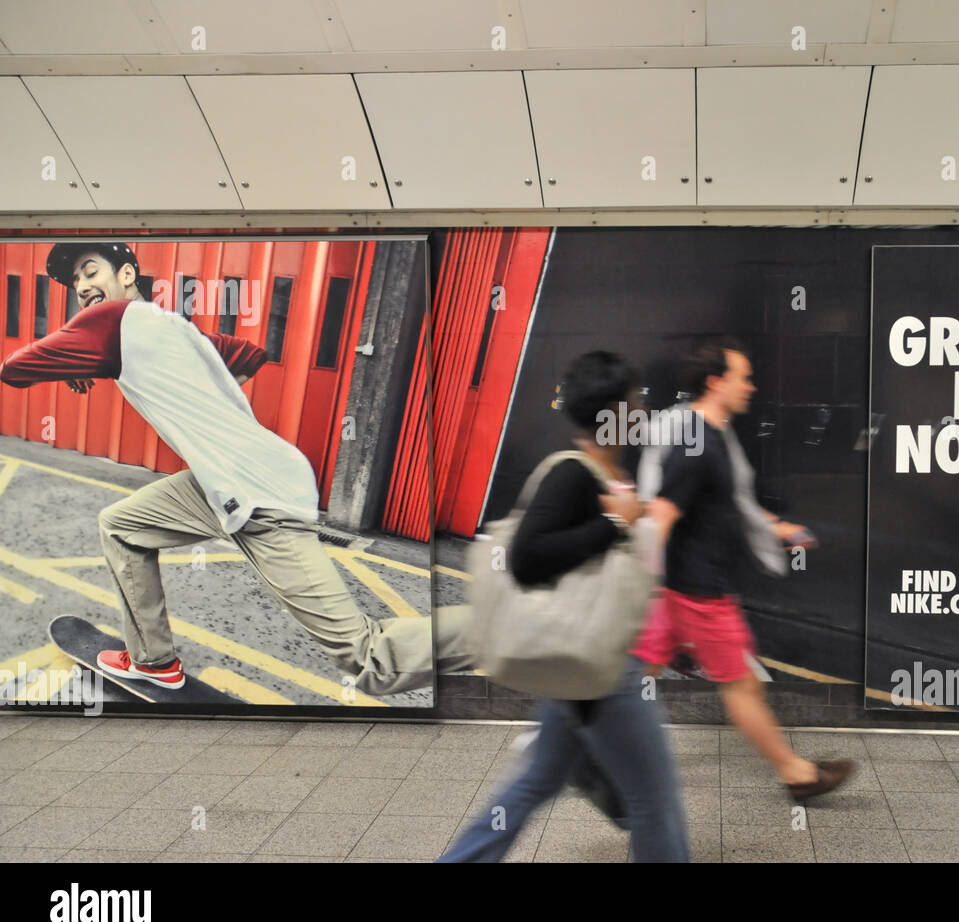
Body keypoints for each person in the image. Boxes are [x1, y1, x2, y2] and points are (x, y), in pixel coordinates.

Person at [0, 242, 449, 696]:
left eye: (90, 272)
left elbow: (13, 369)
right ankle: (153, 662)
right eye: (74, 281)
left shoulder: (106, 324)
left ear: (129, 274)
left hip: (261, 494)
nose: (82, 286)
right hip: (223, 483)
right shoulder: (177, 327)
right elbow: (249, 354)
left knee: (367, 659)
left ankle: (498, 630)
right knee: (120, 526)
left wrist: (82, 361)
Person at [439, 350, 689, 862]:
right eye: (635, 402)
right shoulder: (575, 476)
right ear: (613, 414)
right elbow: (528, 559)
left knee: (536, 779)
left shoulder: (605, 475)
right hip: (603, 673)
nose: (642, 412)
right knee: (654, 804)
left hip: (577, 659)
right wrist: (615, 524)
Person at [636, 338, 856, 801]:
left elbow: (730, 502)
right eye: (744, 377)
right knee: (741, 686)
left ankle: (580, 745)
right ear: (716, 382)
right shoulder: (698, 446)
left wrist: (776, 526)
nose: (751, 387)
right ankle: (796, 774)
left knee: (634, 674)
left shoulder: (714, 437)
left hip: (677, 592)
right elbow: (661, 517)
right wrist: (635, 583)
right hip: (698, 593)